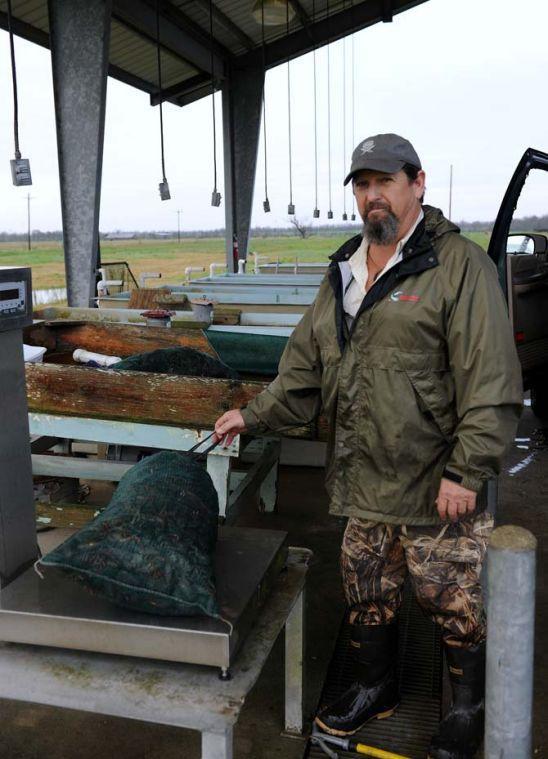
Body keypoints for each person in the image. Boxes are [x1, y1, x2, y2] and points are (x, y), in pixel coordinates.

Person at [214, 133, 522, 759]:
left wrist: (466, 470)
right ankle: (375, 685)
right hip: (361, 476)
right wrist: (250, 414)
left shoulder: (458, 266)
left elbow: (490, 380)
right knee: (366, 591)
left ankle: (466, 711)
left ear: (417, 183)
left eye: (384, 182)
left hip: (437, 480)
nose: (371, 196)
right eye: (361, 185)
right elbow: (304, 370)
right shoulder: (346, 270)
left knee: (450, 598)